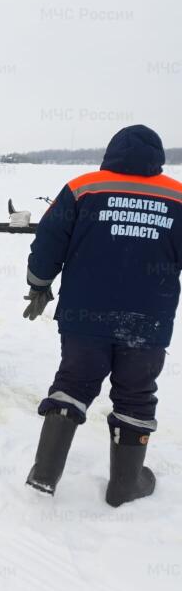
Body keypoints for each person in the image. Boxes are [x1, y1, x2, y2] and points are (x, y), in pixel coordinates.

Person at [24, 124, 182, 506]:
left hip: (85, 315)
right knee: (136, 395)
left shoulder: (83, 188)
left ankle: (44, 475)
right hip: (148, 319)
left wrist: (39, 283)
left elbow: (48, 240)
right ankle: (125, 485)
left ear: (111, 153)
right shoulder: (177, 197)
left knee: (73, 384)